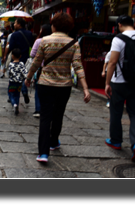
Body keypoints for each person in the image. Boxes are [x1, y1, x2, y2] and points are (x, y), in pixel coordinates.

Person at [24, 12, 91, 163]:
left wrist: (28, 77)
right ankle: (54, 142)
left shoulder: (45, 40)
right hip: (64, 86)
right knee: (58, 115)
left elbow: (36, 62)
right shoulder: (74, 43)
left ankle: (43, 153)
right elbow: (78, 66)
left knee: (45, 117)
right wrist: (85, 88)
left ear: (53, 25)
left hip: (45, 84)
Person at [104, 15, 135, 162]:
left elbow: (112, 62)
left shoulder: (118, 39)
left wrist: (107, 83)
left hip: (119, 82)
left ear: (119, 25)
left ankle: (116, 141)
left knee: (116, 111)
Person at [9, 18, 34, 104]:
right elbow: (32, 45)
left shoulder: (14, 35)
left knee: (15, 77)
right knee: (24, 76)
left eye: (15, 23)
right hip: (26, 59)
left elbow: (11, 47)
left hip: (16, 58)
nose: (14, 25)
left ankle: (13, 94)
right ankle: (24, 91)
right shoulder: (29, 33)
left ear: (19, 24)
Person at [30, 24, 52, 118]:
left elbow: (32, 54)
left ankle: (38, 109)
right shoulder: (54, 41)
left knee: (38, 89)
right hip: (52, 69)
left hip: (40, 69)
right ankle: (47, 109)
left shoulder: (39, 41)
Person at [8, 48, 28, 115]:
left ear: (12, 56)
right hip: (19, 83)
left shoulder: (11, 64)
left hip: (12, 82)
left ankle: (14, 105)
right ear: (20, 56)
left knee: (11, 94)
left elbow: (9, 74)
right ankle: (17, 106)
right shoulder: (22, 64)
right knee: (17, 95)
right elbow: (25, 73)